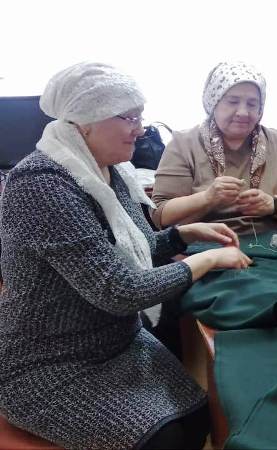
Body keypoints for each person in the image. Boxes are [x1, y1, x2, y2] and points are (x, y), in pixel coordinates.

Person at [0, 62, 252, 449]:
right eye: (129, 117)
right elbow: (119, 290)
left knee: (200, 416)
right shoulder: (40, 185)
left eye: (140, 116)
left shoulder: (110, 171)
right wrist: (206, 260)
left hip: (117, 342)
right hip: (47, 363)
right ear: (85, 121)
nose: (141, 129)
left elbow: (136, 250)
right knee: (162, 439)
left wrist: (181, 235)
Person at [151, 62, 277, 235]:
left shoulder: (274, 141)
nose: (243, 112)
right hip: (207, 244)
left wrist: (273, 204)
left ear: (260, 108)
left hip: (272, 241)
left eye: (252, 104)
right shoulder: (184, 144)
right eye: (233, 102)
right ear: (213, 103)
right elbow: (160, 213)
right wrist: (207, 198)